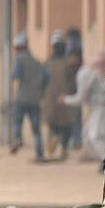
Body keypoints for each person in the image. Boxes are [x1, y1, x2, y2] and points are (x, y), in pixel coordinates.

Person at [65, 46, 105, 163]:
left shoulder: (89, 72)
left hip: (102, 108)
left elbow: (80, 98)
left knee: (96, 136)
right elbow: (82, 97)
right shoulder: (86, 72)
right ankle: (104, 160)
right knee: (88, 135)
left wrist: (65, 100)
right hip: (98, 108)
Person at [9, 31, 48, 160]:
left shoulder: (19, 59)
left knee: (17, 121)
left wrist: (12, 75)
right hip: (35, 98)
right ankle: (40, 153)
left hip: (22, 97)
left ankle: (18, 139)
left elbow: (16, 74)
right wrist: (41, 90)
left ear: (19, 47)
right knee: (36, 128)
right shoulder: (37, 62)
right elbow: (47, 78)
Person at [42, 31, 75, 161]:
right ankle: (64, 149)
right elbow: (73, 81)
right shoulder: (68, 64)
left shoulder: (46, 64)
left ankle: (55, 137)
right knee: (66, 124)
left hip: (50, 97)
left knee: (53, 123)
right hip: (64, 97)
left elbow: (42, 81)